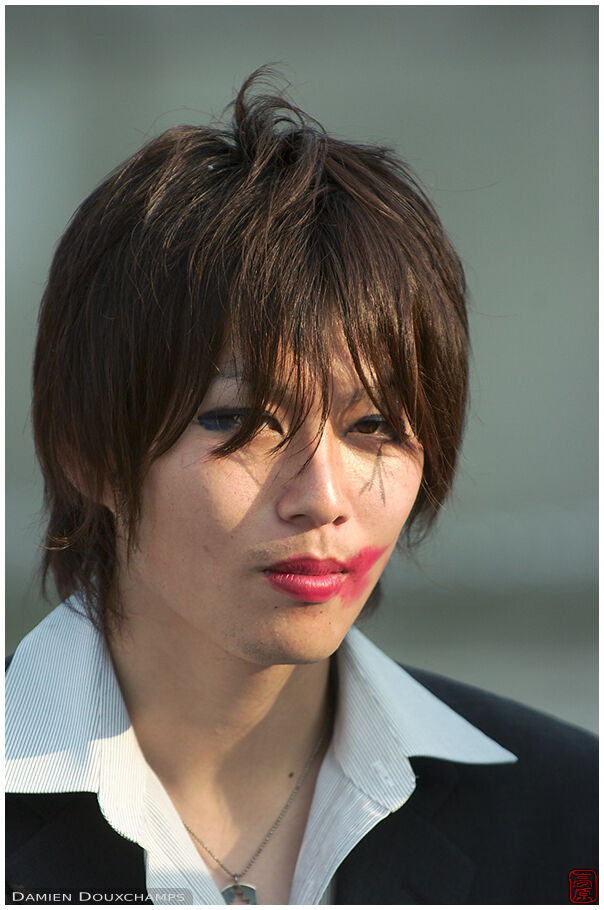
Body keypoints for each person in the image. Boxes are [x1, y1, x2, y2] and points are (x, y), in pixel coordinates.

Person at [6, 69, 596, 906]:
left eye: (374, 427)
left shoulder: (569, 824)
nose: (324, 496)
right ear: (86, 451)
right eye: (238, 421)